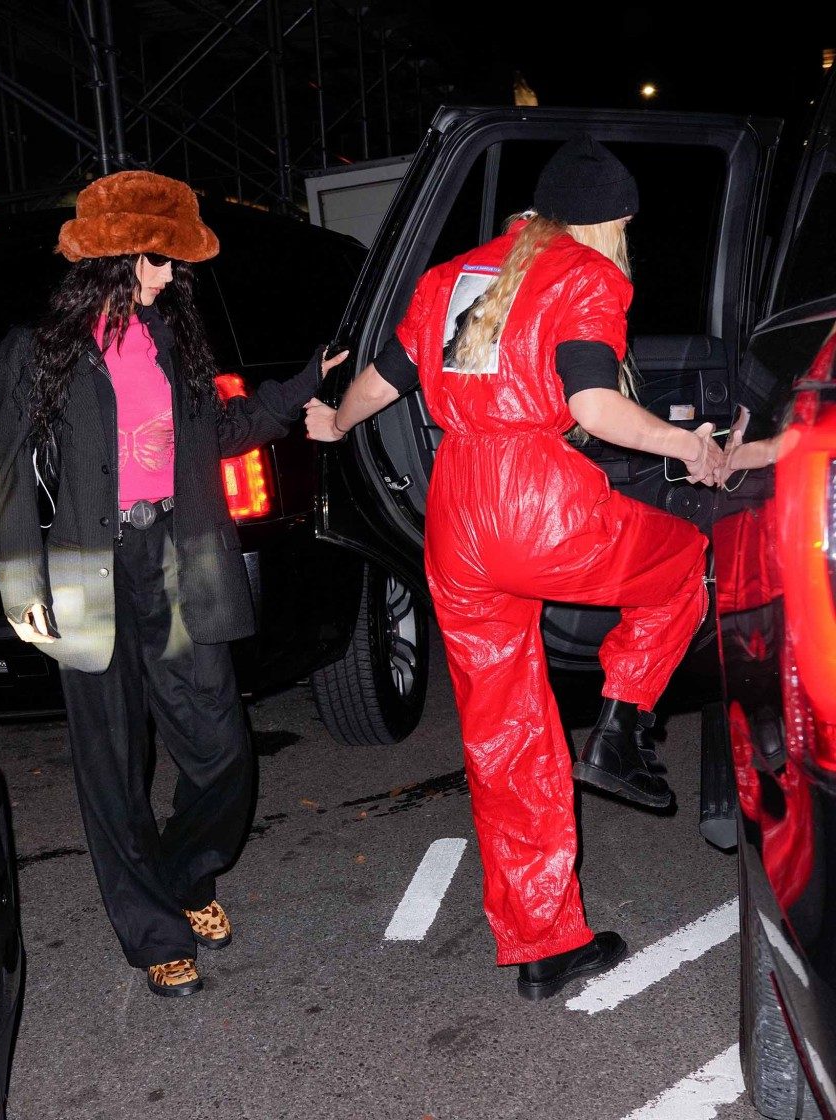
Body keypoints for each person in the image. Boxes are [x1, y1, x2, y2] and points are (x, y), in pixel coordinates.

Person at [305, 136, 723, 999]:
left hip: (457, 515)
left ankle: (543, 943)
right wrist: (688, 446)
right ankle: (622, 729)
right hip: (539, 501)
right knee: (684, 559)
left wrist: (335, 425)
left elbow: (384, 380)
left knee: (504, 735)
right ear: (606, 222)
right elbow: (593, 406)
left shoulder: (451, 276)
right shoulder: (588, 275)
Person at [0, 170, 345, 998]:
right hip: (89, 569)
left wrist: (303, 383)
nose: (170, 275)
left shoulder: (170, 340)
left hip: (177, 556)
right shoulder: (38, 349)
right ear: (116, 258)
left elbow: (222, 430)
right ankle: (153, 934)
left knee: (221, 746)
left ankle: (184, 875)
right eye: (159, 258)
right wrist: (21, 586)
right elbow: (10, 475)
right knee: (111, 764)